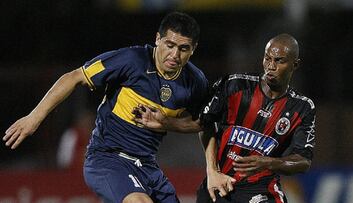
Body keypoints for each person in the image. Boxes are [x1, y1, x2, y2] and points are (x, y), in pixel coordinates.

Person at [3, 11, 208, 203]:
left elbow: (203, 123)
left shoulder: (195, 81)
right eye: (169, 45)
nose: (174, 55)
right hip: (107, 158)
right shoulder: (132, 60)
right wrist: (34, 118)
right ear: (157, 39)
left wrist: (166, 122)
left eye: (183, 49)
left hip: (147, 165)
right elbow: (74, 77)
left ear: (194, 49)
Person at [133, 33, 316, 203]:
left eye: (279, 61)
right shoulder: (235, 85)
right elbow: (202, 123)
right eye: (267, 58)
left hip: (259, 189)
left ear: (295, 64)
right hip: (218, 184)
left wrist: (268, 162)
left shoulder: (302, 108)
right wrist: (164, 121)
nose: (271, 66)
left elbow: (303, 161)